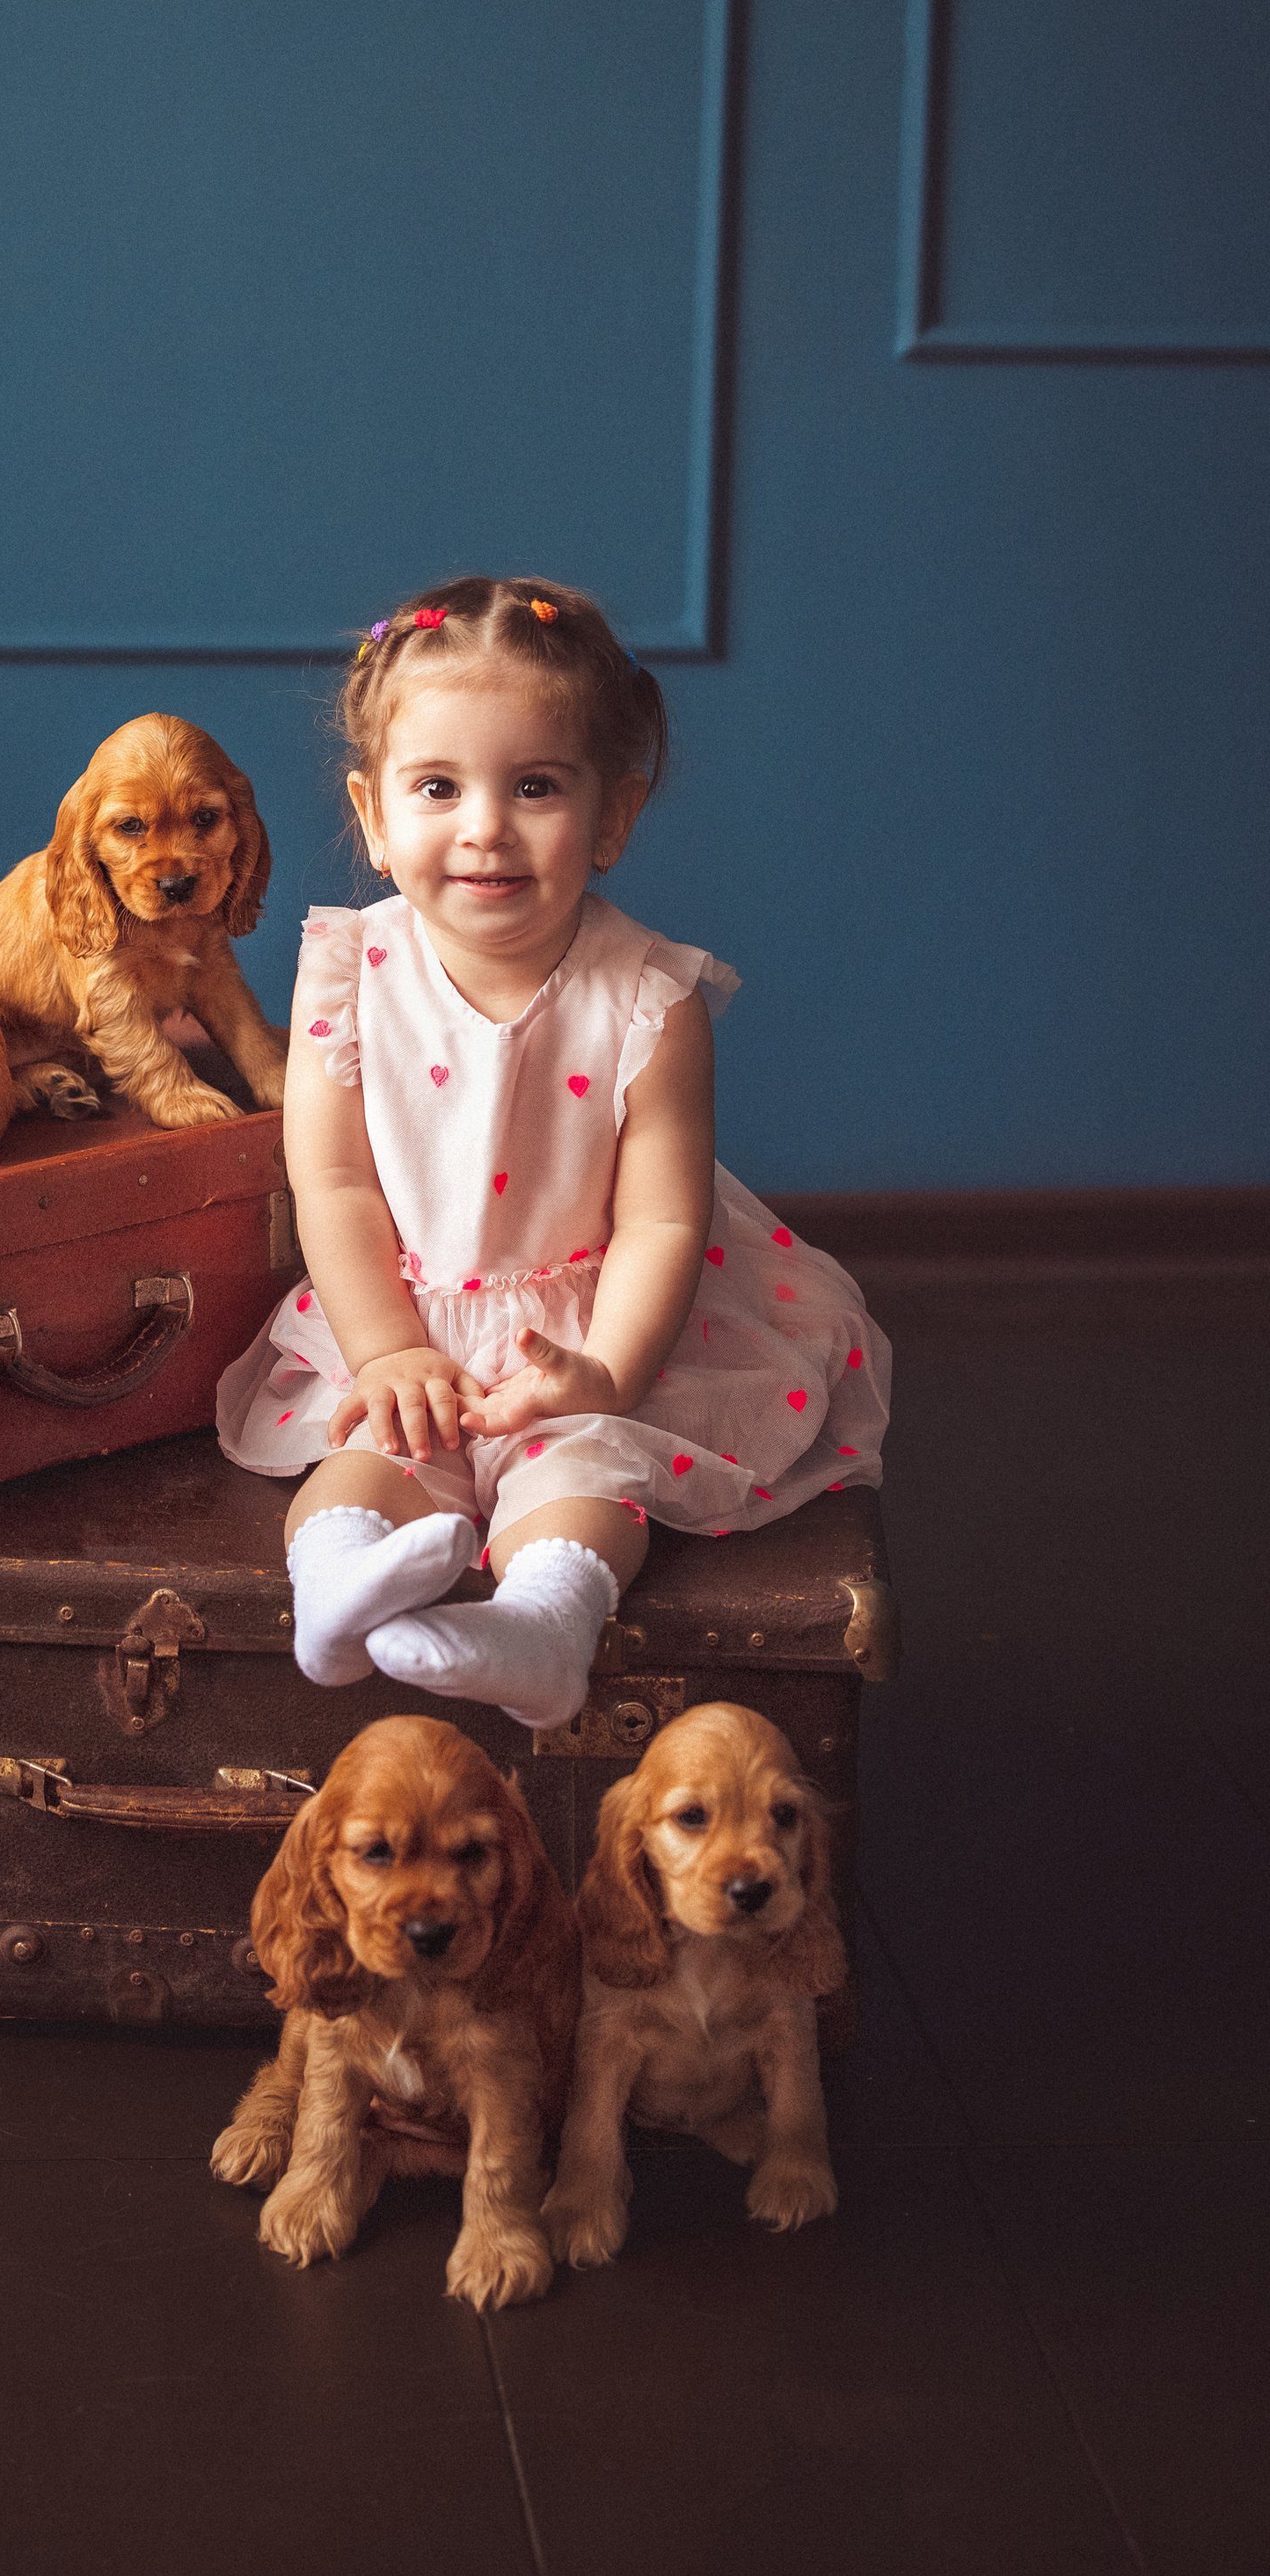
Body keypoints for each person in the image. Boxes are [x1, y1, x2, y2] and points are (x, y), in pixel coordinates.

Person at [215, 574, 889, 1729]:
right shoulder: (348, 975)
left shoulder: (649, 998)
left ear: (613, 815)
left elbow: (663, 1220)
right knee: (369, 1462)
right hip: (402, 1313)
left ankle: (540, 1627)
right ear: (373, 815)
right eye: (439, 787)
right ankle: (333, 1590)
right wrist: (386, 1351)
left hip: (588, 1326)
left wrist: (608, 1372)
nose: (485, 825)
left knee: (586, 1481)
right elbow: (332, 1182)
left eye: (534, 786)